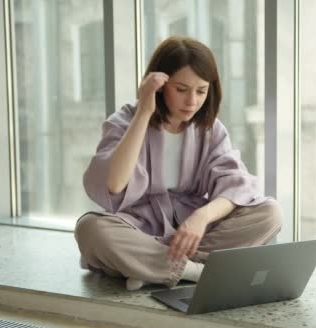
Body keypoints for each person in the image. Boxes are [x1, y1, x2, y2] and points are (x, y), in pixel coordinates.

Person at [74, 36, 282, 291]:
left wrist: (201, 217)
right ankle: (195, 271)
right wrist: (144, 111)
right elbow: (115, 183)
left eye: (201, 91)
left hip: (191, 233)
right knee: (91, 229)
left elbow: (236, 186)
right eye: (181, 89)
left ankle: (149, 267)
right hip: (139, 228)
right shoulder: (124, 120)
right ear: (160, 86)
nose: (192, 101)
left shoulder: (210, 129)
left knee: (269, 213)